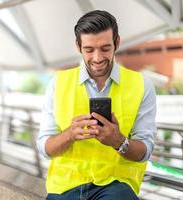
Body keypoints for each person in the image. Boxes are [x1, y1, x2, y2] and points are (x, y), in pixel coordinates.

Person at [36, 10, 157, 200]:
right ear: (78, 46)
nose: (98, 58)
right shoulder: (57, 83)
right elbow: (45, 148)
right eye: (89, 49)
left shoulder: (142, 85)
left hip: (116, 185)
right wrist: (69, 135)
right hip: (65, 187)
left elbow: (145, 151)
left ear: (117, 42)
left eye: (105, 48)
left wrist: (119, 142)